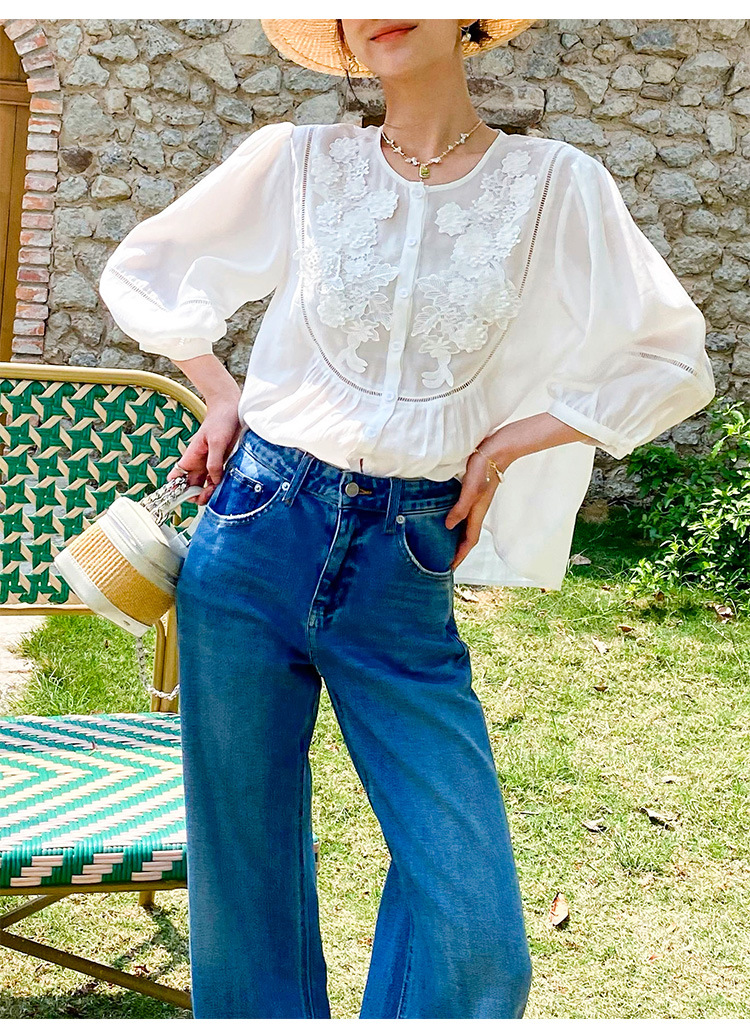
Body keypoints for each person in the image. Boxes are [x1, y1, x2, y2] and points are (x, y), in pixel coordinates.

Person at [97, 19, 716, 1019]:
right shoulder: (300, 163)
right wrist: (220, 392)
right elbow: (149, 271)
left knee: (474, 928)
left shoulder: (554, 185)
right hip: (255, 528)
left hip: (404, 559)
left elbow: (669, 356)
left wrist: (510, 442)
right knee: (245, 874)